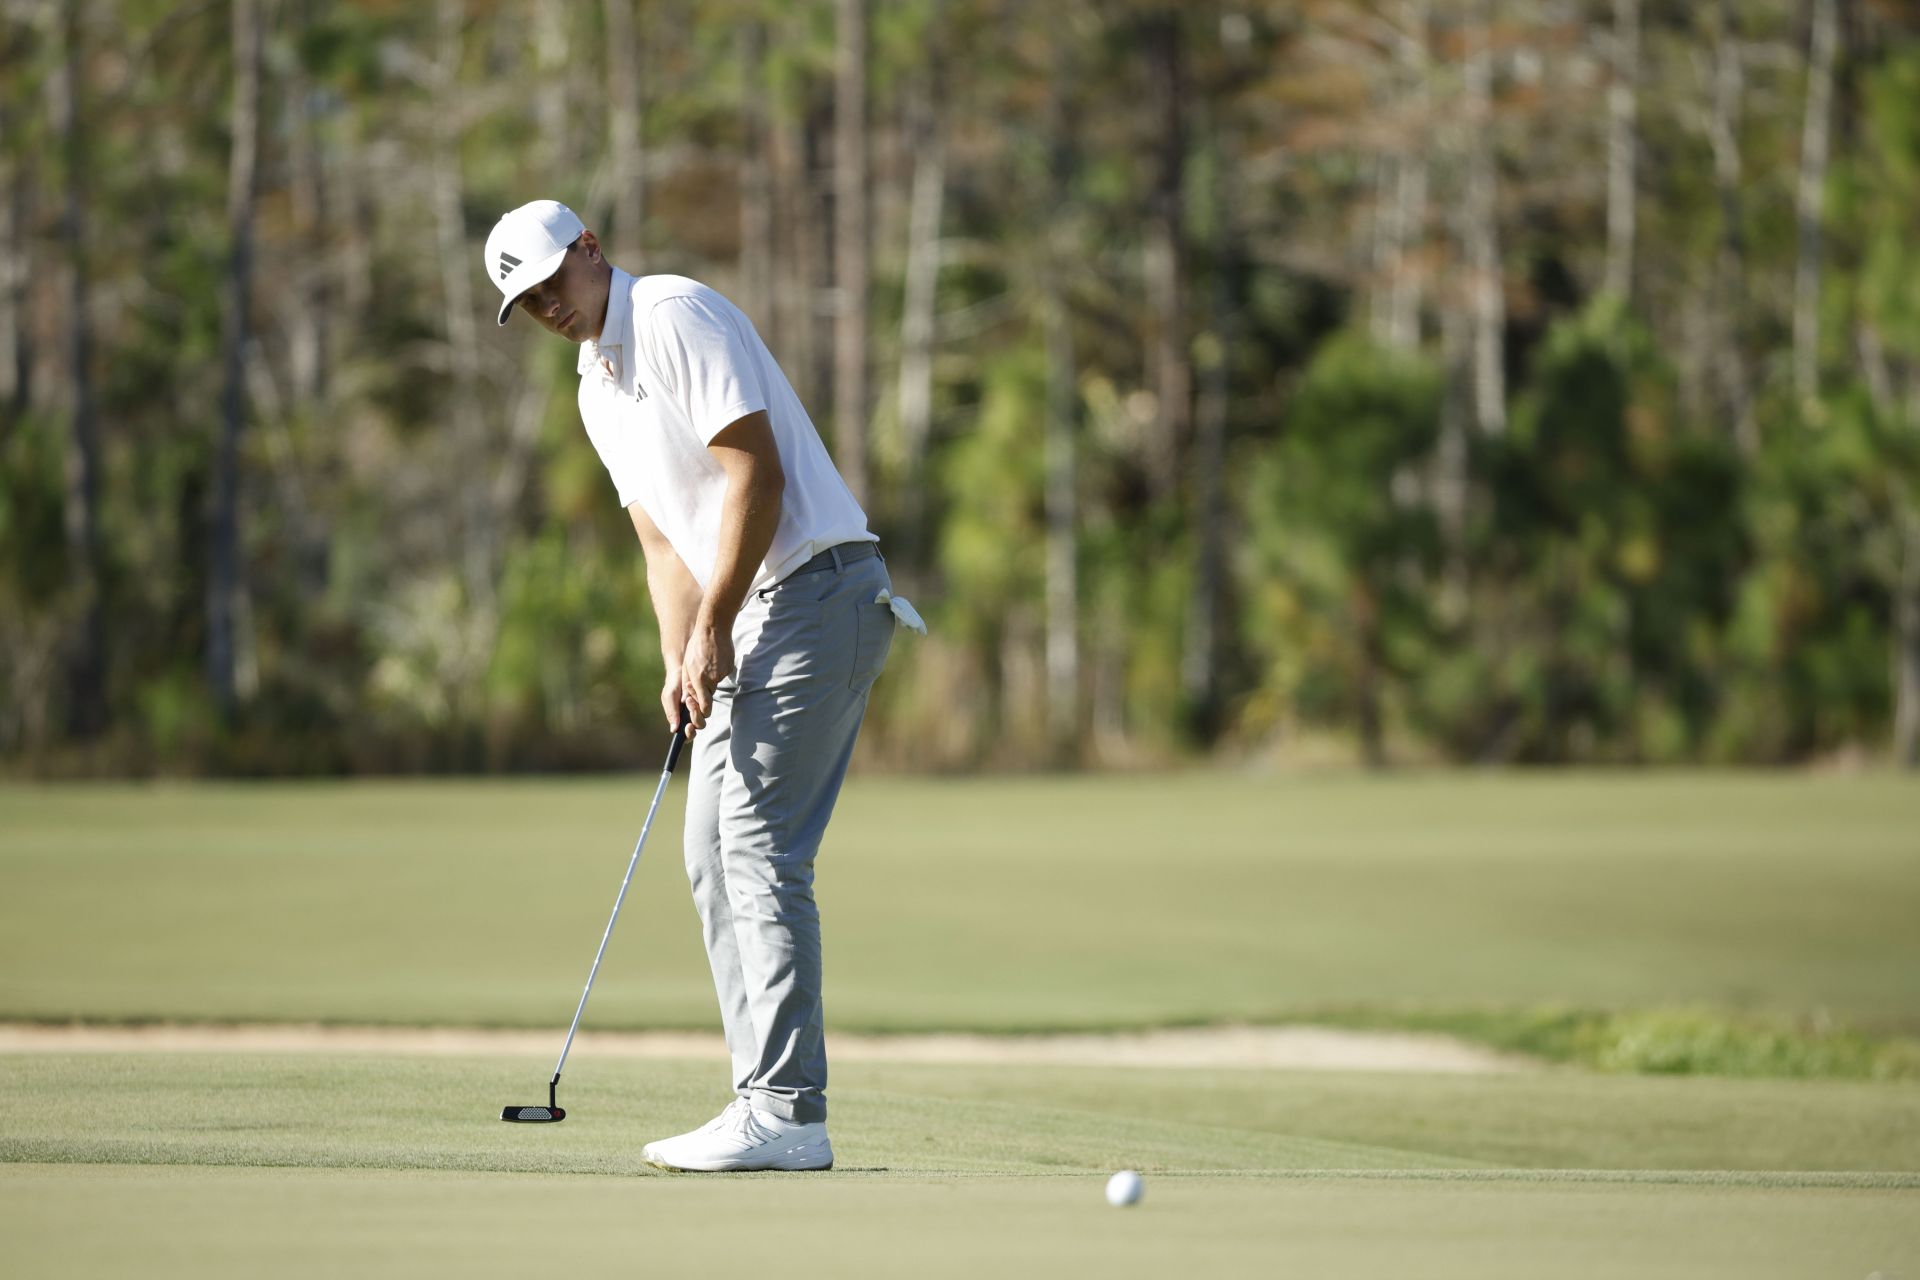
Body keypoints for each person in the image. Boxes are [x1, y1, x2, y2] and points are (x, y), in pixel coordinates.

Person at [482, 199, 922, 1172]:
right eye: (528, 299)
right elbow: (662, 547)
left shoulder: (676, 314)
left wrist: (717, 622)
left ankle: (789, 1110)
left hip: (817, 587)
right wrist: (679, 653)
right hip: (755, 610)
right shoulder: (597, 385)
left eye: (555, 280)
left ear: (591, 249)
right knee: (707, 852)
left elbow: (753, 474)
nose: (549, 304)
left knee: (760, 846)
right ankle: (759, 1096)